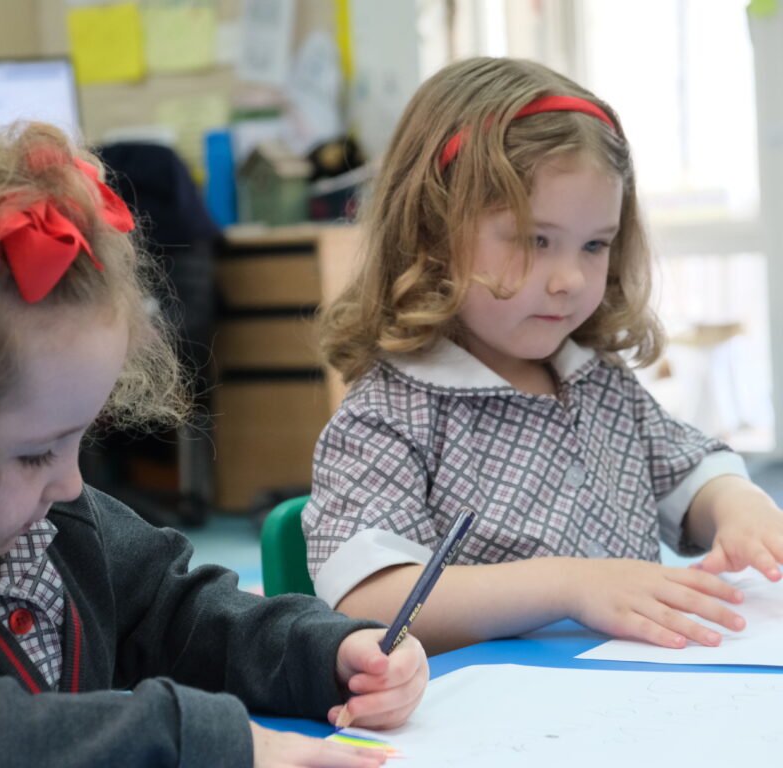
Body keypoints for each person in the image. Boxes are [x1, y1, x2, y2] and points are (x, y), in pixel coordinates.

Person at [0, 108, 428, 768]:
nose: (74, 484)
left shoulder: (46, 517)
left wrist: (325, 653)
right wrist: (206, 742)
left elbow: (176, 612)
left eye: (80, 437)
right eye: (33, 453)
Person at [304, 56, 783, 656]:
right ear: (431, 229)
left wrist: (742, 508)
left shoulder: (594, 377)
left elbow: (692, 472)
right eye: (536, 239)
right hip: (483, 717)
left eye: (593, 245)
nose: (570, 280)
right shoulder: (388, 415)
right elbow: (369, 601)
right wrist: (569, 584)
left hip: (628, 695)